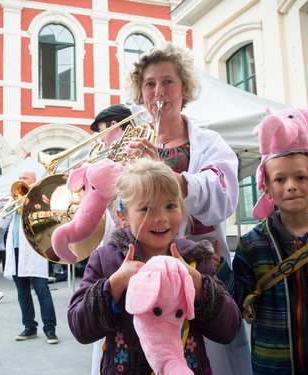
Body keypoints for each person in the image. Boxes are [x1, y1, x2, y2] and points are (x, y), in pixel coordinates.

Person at [125, 43, 251, 374]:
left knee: (203, 354)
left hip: (200, 268)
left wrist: (167, 174)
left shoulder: (209, 142)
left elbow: (224, 199)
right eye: (150, 83)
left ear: (184, 89)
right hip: (143, 272)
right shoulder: (129, 145)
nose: (159, 91)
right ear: (141, 93)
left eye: (168, 82)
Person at [68, 158, 242, 374]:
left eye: (170, 205)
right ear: (123, 215)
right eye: (147, 209)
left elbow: (229, 329)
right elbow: (79, 327)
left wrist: (197, 283)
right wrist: (115, 284)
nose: (161, 218)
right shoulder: (106, 259)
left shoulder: (195, 259)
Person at [219, 111, 308, 374]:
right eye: (280, 179)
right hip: (273, 368)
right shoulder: (253, 244)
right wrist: (221, 270)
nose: (291, 186)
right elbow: (237, 303)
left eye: (300, 177)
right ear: (266, 188)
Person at [89, 103, 134, 374]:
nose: (100, 137)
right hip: (110, 244)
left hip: (126, 244)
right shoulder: (104, 158)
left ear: (115, 124)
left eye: (102, 130)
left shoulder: (130, 153)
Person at [0, 169, 59, 344]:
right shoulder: (14, 198)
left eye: (24, 178)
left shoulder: (40, 198)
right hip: (16, 250)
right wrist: (12, 203)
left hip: (35, 251)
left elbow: (49, 222)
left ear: (34, 180)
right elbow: (1, 223)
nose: (21, 180)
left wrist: (27, 203)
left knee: (42, 291)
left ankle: (50, 329)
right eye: (20, 178)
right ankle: (29, 327)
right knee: (22, 293)